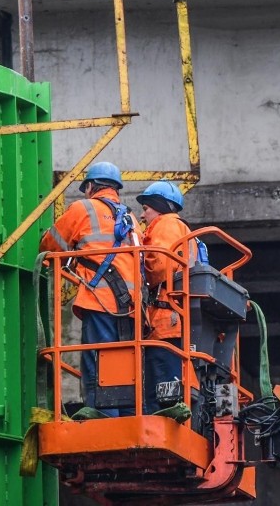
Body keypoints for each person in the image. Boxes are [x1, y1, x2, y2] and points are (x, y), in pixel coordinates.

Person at [40, 161, 142, 417]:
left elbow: (51, 244)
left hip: (101, 299)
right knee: (126, 363)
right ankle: (128, 417)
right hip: (132, 306)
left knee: (97, 358)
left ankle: (103, 417)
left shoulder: (83, 208)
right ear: (115, 189)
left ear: (91, 187)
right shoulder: (132, 220)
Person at [137, 180, 202, 414]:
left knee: (161, 376)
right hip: (174, 315)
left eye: (146, 208)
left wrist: (136, 260)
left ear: (160, 206)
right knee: (169, 373)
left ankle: (162, 417)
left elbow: (160, 265)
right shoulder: (181, 228)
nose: (143, 215)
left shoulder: (165, 224)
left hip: (166, 318)